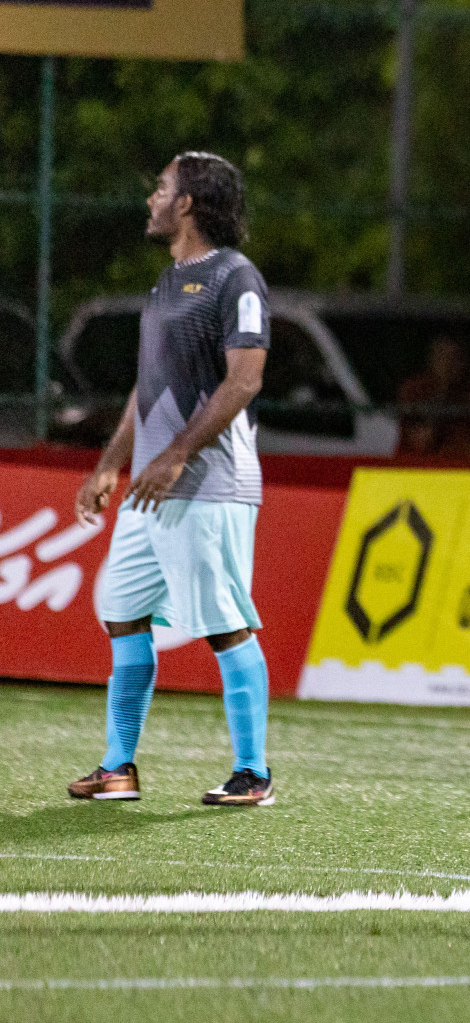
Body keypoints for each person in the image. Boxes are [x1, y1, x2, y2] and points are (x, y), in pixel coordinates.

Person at [68, 152, 275, 808]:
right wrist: (110, 463)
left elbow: (245, 379)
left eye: (161, 189)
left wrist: (181, 452)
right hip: (152, 487)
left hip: (208, 484)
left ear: (187, 204)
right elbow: (147, 390)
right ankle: (118, 767)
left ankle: (254, 773)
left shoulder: (235, 277)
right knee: (123, 613)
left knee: (225, 624)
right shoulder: (167, 284)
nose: (151, 199)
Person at [396, 334, 470, 461]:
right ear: (431, 359)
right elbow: (422, 443)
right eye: (442, 357)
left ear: (465, 361)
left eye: (455, 358)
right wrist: (442, 394)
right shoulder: (414, 390)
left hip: (466, 468)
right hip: (418, 468)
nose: (448, 364)